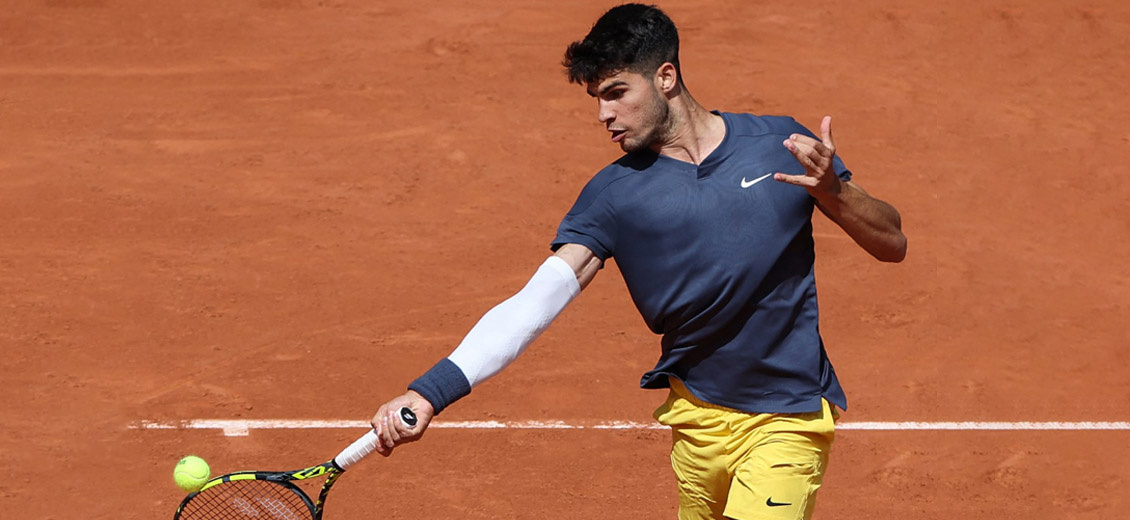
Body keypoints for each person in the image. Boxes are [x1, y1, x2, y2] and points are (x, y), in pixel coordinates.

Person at [368, 4, 906, 519]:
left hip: (789, 416)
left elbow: (892, 242)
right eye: (597, 99)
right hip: (696, 421)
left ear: (666, 77)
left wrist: (835, 192)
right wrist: (430, 391)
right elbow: (535, 303)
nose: (604, 114)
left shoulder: (778, 146)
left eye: (616, 93)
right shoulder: (613, 197)